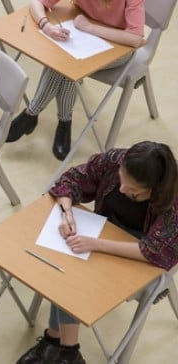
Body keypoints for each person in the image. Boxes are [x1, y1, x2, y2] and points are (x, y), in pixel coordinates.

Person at [17, 141, 178, 364]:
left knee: (70, 275)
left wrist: (96, 244)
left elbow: (156, 251)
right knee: (63, 267)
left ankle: (56, 343)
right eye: (122, 180)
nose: (122, 190)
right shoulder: (114, 161)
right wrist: (66, 213)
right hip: (103, 232)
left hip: (138, 254)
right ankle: (66, 349)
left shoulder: (173, 199)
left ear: (155, 189)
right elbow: (70, 180)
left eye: (133, 192)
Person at [5, 0, 145, 160]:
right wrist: (46, 26)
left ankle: (31, 113)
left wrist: (90, 28)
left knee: (68, 64)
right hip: (82, 36)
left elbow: (135, 38)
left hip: (117, 46)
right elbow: (38, 1)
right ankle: (64, 122)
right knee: (66, 63)